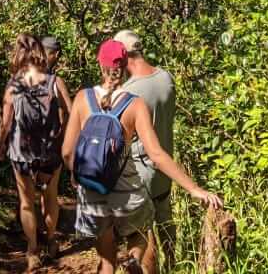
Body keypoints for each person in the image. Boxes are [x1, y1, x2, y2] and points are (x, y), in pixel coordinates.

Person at [63, 39, 220, 274]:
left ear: (100, 64)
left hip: (93, 192)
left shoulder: (82, 99)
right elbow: (156, 154)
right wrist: (194, 188)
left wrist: (76, 176)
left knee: (106, 262)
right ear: (125, 64)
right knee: (138, 235)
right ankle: (134, 259)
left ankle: (120, 264)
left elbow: (67, 150)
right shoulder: (135, 104)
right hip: (127, 193)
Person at [0, 35, 72, 271]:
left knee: (26, 202)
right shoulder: (54, 81)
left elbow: (6, 123)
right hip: (50, 152)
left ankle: (32, 250)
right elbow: (70, 113)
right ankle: (51, 240)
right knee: (50, 197)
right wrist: (62, 139)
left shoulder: (13, 84)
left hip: (21, 152)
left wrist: (0, 146)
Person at [115, 29, 177, 272]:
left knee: (144, 234)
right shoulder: (166, 78)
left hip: (142, 170)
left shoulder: (129, 93)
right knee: (166, 224)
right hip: (166, 169)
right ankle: (174, 267)